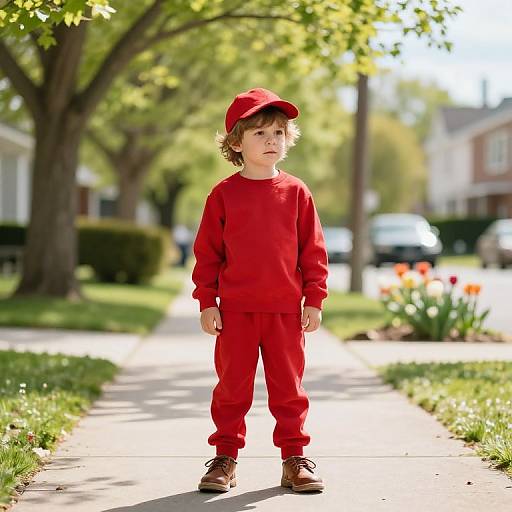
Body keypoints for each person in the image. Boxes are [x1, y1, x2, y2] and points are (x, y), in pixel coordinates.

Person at [191, 87, 328, 493]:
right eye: (260, 133)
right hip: (235, 313)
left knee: (289, 391)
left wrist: (314, 299)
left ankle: (294, 459)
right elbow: (208, 255)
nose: (272, 141)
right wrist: (207, 302)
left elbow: (313, 252)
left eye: (279, 133)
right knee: (232, 390)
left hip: (286, 312)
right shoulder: (222, 195)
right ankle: (225, 458)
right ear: (236, 141)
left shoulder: (297, 192)